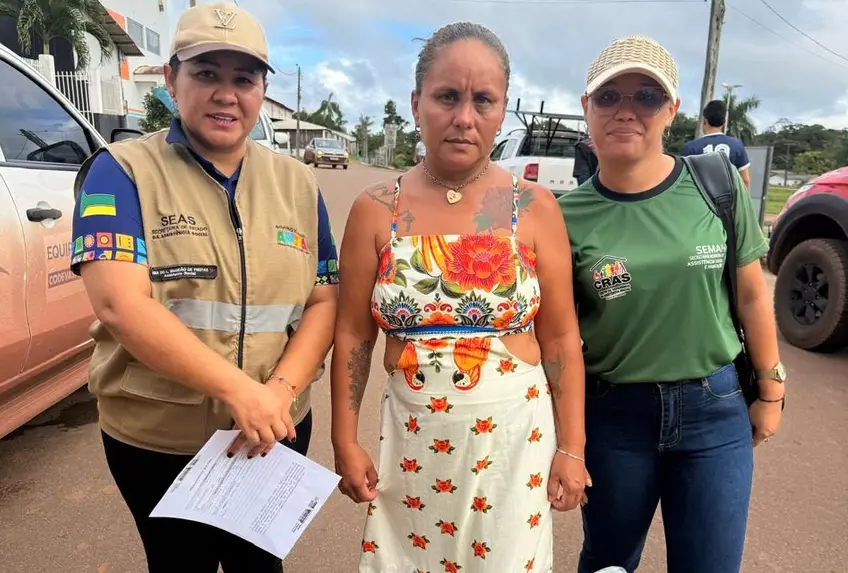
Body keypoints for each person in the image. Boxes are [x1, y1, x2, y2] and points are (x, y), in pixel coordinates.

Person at [69, 4, 338, 572]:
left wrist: (278, 395)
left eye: (243, 79)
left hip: (274, 430)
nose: (225, 94)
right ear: (171, 80)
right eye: (206, 74)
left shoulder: (296, 182)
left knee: (259, 566)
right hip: (159, 441)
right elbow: (119, 305)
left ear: (262, 89)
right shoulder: (120, 172)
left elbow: (323, 299)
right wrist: (242, 392)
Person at [330, 21, 588, 573]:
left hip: (516, 448)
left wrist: (572, 448)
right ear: (417, 101)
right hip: (414, 446)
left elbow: (562, 335)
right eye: (448, 96)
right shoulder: (379, 209)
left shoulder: (525, 206)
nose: (464, 117)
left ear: (501, 110)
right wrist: (344, 439)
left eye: (483, 100)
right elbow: (353, 331)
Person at [559, 36, 785, 573]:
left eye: (646, 96)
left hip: (715, 411)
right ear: (587, 107)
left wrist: (771, 387)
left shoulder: (715, 183)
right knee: (610, 562)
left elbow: (752, 291)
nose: (627, 111)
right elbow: (557, 336)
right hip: (614, 419)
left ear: (672, 110)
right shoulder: (564, 215)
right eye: (609, 97)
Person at [681, 99, 752, 189]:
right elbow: (745, 180)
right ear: (724, 122)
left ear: (704, 120)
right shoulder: (736, 145)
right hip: (729, 200)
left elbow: (683, 181)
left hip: (699, 200)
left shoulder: (691, 147)